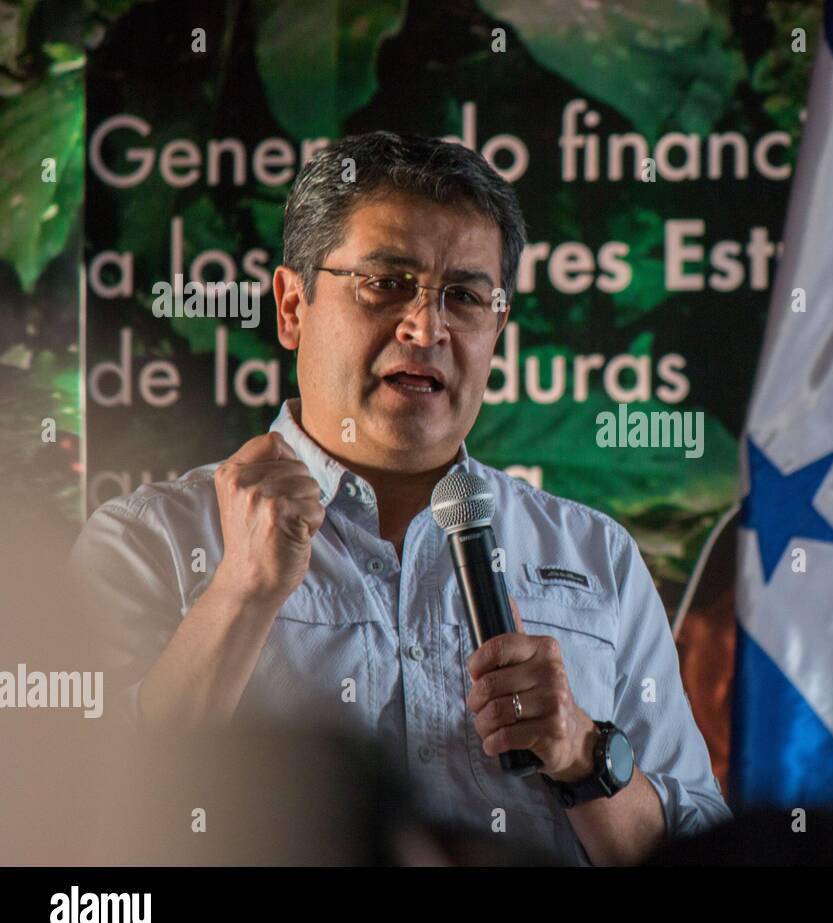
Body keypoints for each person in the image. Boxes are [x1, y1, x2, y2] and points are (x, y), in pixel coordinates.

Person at [68, 132, 731, 866]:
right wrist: (240, 595)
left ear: (497, 327)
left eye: (466, 297)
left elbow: (702, 857)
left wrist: (583, 755)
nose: (426, 328)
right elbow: (81, 832)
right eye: (386, 284)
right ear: (292, 306)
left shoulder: (596, 556)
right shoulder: (150, 542)